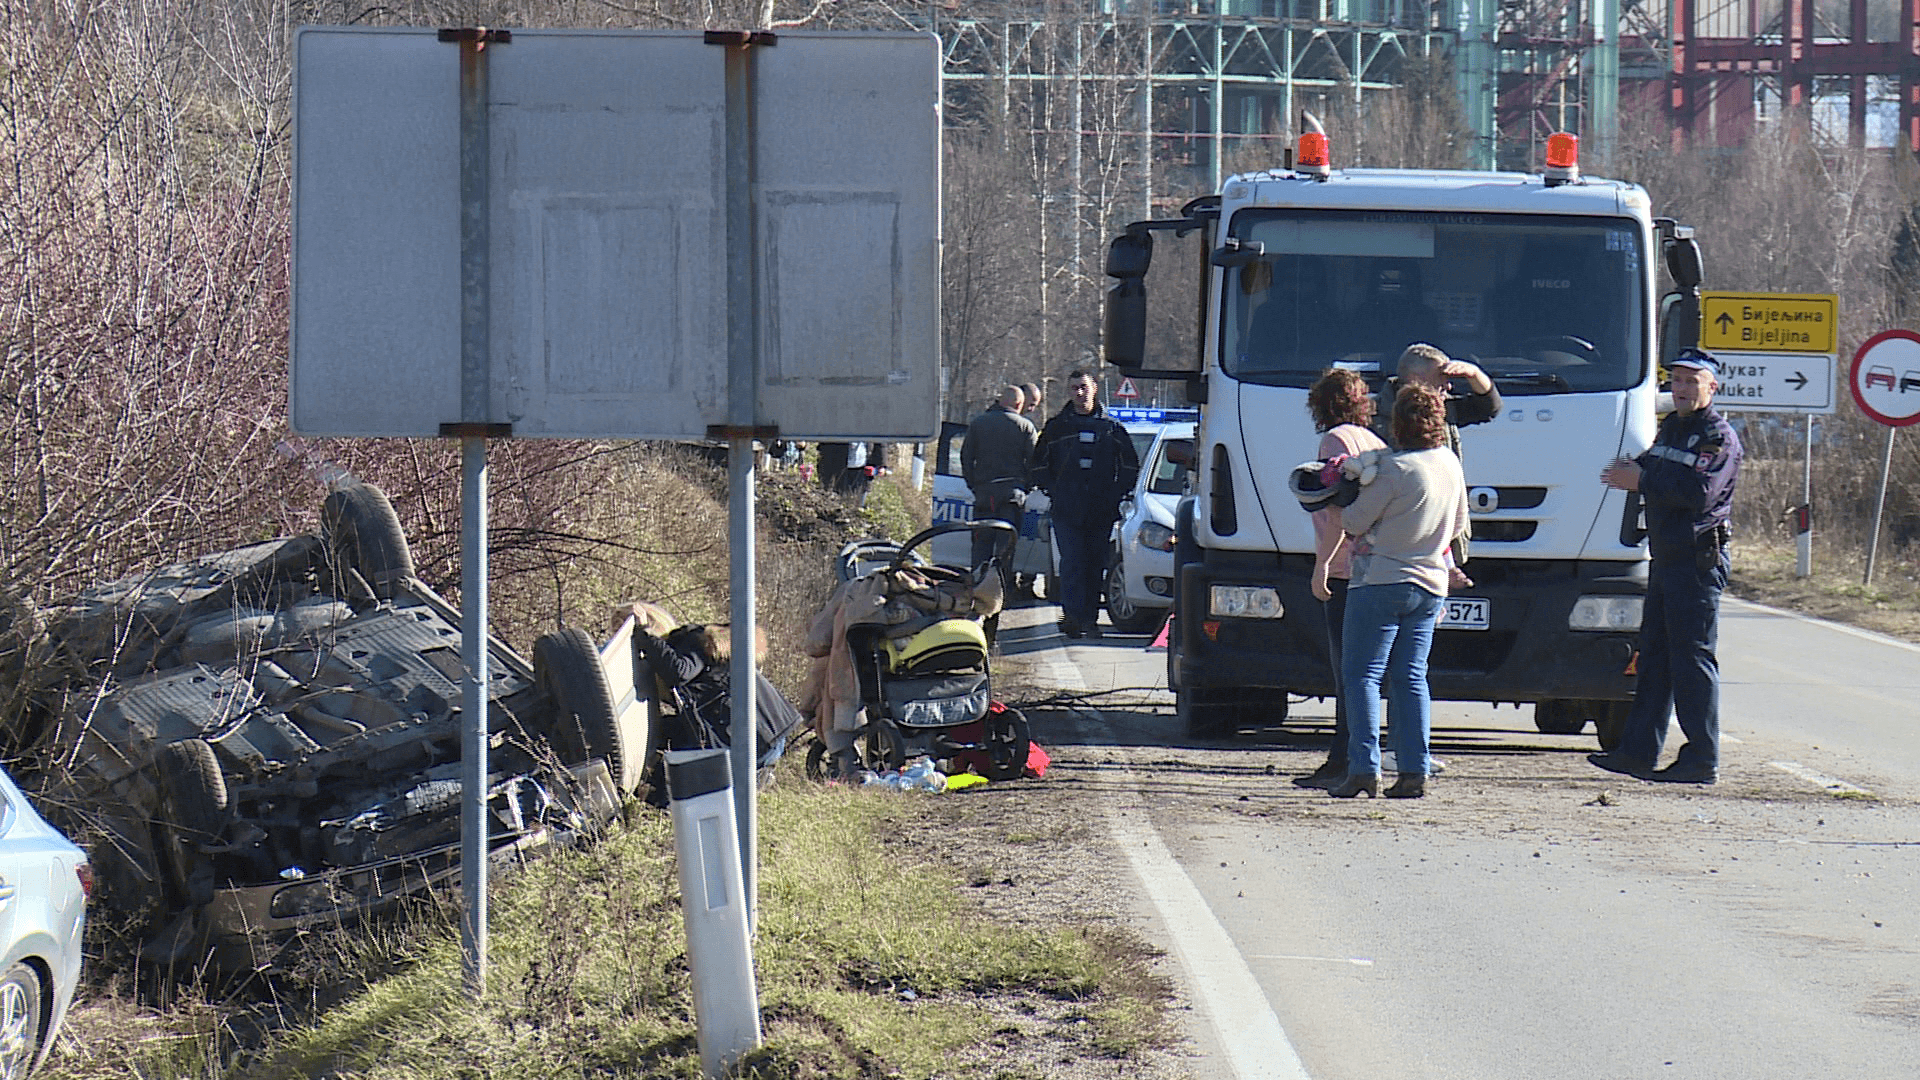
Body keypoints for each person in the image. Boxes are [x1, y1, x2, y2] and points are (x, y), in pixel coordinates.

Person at [1589, 348, 1742, 784]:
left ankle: (1701, 760)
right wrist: (1631, 468)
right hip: (1665, 556)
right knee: (1654, 657)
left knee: (1692, 660)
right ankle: (1637, 753)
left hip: (1696, 560)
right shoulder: (1672, 428)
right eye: (1676, 380)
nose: (1681, 388)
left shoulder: (1719, 436)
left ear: (1712, 386)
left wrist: (1642, 479)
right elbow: (1652, 467)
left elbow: (1700, 492)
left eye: (1692, 381)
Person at [1331, 384, 1468, 799]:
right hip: (1430, 584)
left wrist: (1339, 490)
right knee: (1411, 677)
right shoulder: (1449, 463)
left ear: (1397, 422)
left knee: (1362, 676)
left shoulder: (1394, 471)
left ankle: (1364, 768)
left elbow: (1353, 522)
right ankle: (1413, 770)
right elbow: (1460, 523)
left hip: (1380, 580)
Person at [1295, 368, 1390, 789]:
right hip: (1373, 565)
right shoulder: (1375, 442)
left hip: (1345, 568)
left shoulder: (1335, 442)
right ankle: (1354, 757)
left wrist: (1322, 565)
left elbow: (1337, 509)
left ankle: (1344, 760)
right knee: (1365, 671)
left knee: (1347, 672)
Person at [1379, 343, 1500, 588]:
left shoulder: (1444, 409)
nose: (1449, 386)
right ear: (1415, 380)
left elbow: (1489, 407)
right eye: (1441, 379)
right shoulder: (1375, 418)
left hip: (1441, 545)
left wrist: (1474, 374)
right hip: (1395, 549)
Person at [1032, 369, 1139, 639]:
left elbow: (1129, 466)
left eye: (1083, 387)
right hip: (1067, 510)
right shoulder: (1057, 428)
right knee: (1072, 562)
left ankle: (1089, 620)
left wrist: (1115, 494)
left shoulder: (1112, 429)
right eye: (1073, 389)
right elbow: (1038, 465)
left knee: (1093, 564)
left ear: (1094, 388)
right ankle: (1072, 618)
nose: (1079, 394)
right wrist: (1053, 489)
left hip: (1100, 510)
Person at [633, 618, 805, 785]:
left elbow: (679, 672)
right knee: (665, 729)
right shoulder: (707, 642)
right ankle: (755, 776)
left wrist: (645, 636)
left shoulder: (690, 641)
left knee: (669, 756)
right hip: (771, 738)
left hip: (757, 742)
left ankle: (746, 778)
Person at [962, 386, 1038, 640]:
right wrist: (1024, 488)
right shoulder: (1025, 427)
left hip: (984, 498)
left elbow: (965, 458)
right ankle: (995, 622)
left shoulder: (978, 423)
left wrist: (975, 485)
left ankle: (974, 616)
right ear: (1018, 404)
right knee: (1004, 560)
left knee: (980, 556)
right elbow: (1035, 463)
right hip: (1011, 500)